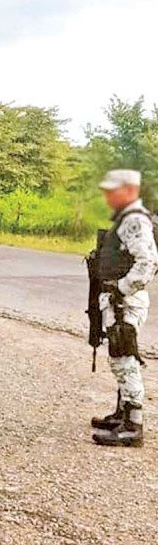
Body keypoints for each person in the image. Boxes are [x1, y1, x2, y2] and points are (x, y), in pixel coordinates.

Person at [91, 169, 158, 447]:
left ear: (130, 190)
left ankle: (133, 424)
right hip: (119, 301)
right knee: (119, 355)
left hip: (126, 302)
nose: (108, 196)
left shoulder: (134, 221)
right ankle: (122, 413)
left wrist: (121, 289)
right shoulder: (125, 218)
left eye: (114, 190)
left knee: (124, 359)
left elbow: (147, 263)